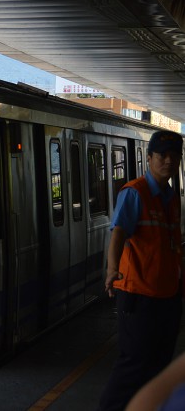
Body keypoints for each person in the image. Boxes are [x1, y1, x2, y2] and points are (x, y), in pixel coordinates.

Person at [98, 129, 185, 411]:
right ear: (149, 158)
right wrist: (112, 269)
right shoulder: (135, 192)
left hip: (167, 295)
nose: (169, 161)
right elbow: (119, 233)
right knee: (134, 364)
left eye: (175, 156)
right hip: (139, 295)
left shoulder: (171, 197)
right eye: (162, 155)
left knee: (158, 363)